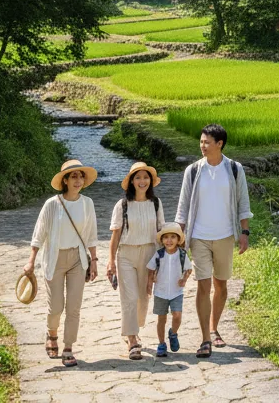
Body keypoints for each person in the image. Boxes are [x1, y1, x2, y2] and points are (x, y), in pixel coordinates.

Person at [174, 123, 251, 358]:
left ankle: (214, 327)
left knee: (221, 285)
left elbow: (243, 203)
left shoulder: (235, 169)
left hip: (226, 235)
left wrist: (244, 233)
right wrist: (179, 236)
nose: (202, 146)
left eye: (207, 142)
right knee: (203, 285)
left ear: (220, 144)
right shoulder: (194, 171)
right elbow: (183, 206)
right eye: (201, 142)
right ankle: (205, 338)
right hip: (199, 237)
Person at [24, 159, 99, 368]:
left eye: (80, 176)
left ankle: (68, 347)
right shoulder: (52, 204)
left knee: (74, 307)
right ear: (65, 180)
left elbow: (92, 235)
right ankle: (52, 333)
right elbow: (39, 235)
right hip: (54, 258)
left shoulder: (87, 204)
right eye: (73, 176)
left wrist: (94, 260)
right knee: (56, 306)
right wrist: (31, 261)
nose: (78, 180)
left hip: (77, 259)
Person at [106, 161, 166, 359]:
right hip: (126, 254)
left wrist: (162, 259)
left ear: (150, 181)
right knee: (129, 297)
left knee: (143, 297)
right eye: (138, 177)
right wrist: (111, 261)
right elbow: (115, 235)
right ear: (131, 181)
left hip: (149, 253)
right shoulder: (122, 205)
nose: (142, 181)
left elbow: (161, 232)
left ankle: (135, 328)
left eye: (145, 177)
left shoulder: (155, 204)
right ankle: (132, 339)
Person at [145, 222, 193, 357]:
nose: (169, 240)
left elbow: (189, 269)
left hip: (176, 291)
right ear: (162, 240)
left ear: (178, 240)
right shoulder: (159, 254)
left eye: (173, 237)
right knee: (162, 318)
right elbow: (150, 269)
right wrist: (150, 283)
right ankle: (161, 343)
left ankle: (173, 333)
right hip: (160, 292)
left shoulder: (182, 254)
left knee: (177, 315)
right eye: (166, 237)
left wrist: (184, 280)